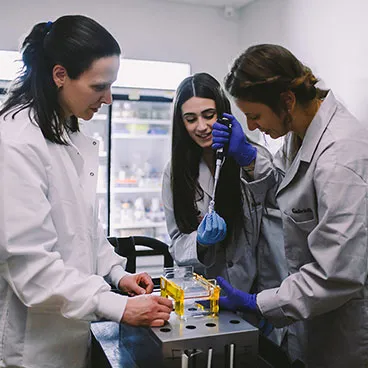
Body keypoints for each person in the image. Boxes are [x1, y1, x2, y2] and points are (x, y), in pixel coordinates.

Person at [0, 15, 172, 368]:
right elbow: (33, 270)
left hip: (71, 335)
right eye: (99, 86)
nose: (108, 98)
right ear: (60, 75)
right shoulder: (15, 143)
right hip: (32, 349)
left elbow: (85, 231)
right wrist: (119, 307)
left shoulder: (65, 134)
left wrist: (117, 274)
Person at [211, 44, 368, 367]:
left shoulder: (339, 158)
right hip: (312, 320)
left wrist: (258, 302)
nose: (252, 127)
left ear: (287, 100)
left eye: (255, 116)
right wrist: (250, 159)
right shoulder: (300, 134)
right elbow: (288, 194)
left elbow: (337, 273)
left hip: (344, 330)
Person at [161, 72, 288, 339]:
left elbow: (282, 204)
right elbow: (176, 241)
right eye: (190, 119)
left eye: (209, 115)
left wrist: (247, 157)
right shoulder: (175, 173)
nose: (202, 126)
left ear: (224, 113)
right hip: (203, 302)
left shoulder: (253, 157)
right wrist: (201, 242)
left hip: (257, 295)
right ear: (181, 123)